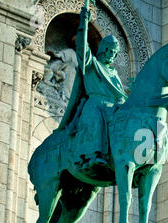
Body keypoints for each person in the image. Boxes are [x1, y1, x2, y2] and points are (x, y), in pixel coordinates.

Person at [55, 6, 127, 172]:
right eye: (108, 49)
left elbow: (120, 95)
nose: (110, 53)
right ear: (102, 49)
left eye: (114, 52)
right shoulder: (92, 65)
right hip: (95, 103)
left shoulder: (114, 73)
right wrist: (83, 24)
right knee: (95, 117)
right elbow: (82, 48)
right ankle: (92, 156)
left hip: (113, 107)